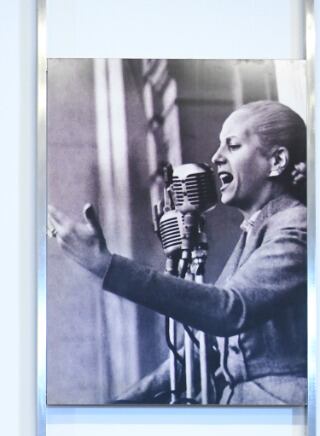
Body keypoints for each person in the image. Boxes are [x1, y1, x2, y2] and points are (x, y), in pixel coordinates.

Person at [49, 100, 307, 404]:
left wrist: (109, 267)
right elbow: (204, 345)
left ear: (277, 160)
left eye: (233, 146)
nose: (215, 157)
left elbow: (229, 310)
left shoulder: (297, 226)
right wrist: (121, 405)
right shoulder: (254, 232)